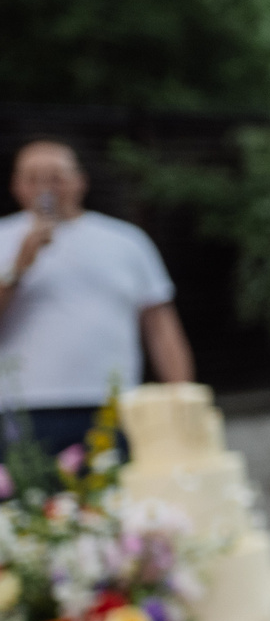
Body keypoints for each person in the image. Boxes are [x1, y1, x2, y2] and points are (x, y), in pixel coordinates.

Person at [0, 139, 193, 456]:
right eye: (34, 177)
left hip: (113, 405)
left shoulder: (126, 241)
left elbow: (160, 325)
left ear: (80, 181)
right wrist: (17, 268)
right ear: (16, 185)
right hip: (22, 409)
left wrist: (181, 398)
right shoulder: (4, 238)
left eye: (56, 177)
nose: (45, 187)